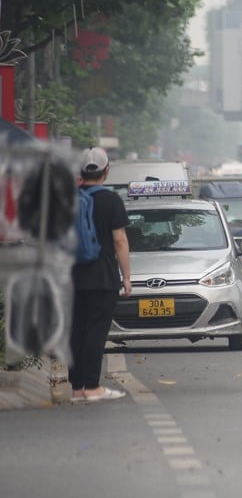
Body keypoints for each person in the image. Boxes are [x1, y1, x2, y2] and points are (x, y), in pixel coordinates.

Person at [70, 148, 131, 403]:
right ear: (106, 171)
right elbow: (119, 240)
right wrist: (126, 277)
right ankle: (92, 387)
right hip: (103, 276)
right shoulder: (112, 200)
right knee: (95, 331)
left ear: (81, 172)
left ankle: (76, 388)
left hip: (71, 277)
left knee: (76, 331)